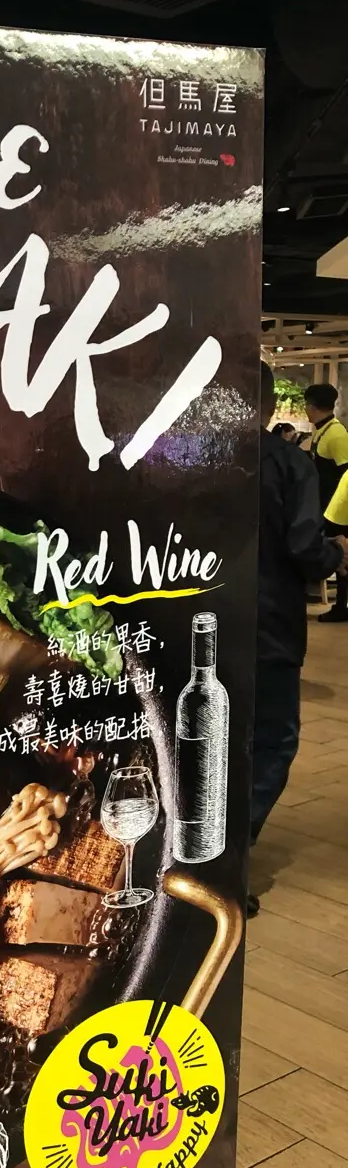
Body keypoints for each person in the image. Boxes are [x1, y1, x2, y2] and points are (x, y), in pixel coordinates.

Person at [252, 364, 346, 914]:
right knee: (273, 740)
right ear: (269, 404)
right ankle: (228, 855)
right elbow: (305, 548)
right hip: (268, 623)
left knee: (206, 740)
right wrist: (336, 554)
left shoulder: (184, 457)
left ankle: (194, 852)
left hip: (195, 623)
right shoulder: (289, 463)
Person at [303, 382, 348, 621]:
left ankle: (342, 606)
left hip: (339, 510)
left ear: (312, 406)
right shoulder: (323, 430)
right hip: (327, 507)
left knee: (342, 557)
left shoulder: (337, 434)